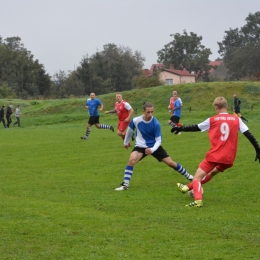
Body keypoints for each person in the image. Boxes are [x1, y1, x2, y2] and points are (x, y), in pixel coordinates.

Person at [171, 97, 260, 208]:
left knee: (197, 178)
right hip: (229, 158)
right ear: (227, 107)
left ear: (216, 108)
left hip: (215, 156)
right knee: (211, 173)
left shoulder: (212, 120)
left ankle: (198, 200)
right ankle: (187, 188)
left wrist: (181, 129)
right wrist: (258, 150)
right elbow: (249, 135)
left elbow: (196, 127)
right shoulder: (236, 119)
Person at [115, 102, 193, 191]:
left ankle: (189, 176)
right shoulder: (136, 120)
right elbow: (130, 130)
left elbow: (158, 140)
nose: (150, 114)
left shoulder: (156, 123)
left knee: (171, 163)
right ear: (143, 111)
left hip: (154, 145)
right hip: (140, 145)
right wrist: (126, 142)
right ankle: (125, 185)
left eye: (152, 112)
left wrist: (152, 149)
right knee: (132, 160)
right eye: (148, 112)